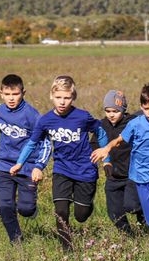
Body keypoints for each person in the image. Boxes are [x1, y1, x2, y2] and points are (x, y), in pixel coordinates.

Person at [11, 76, 108, 250]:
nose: (62, 102)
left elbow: (100, 132)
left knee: (81, 215)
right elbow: (33, 143)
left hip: (85, 170)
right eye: (58, 97)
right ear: (51, 96)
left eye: (67, 98)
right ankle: (67, 249)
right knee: (61, 210)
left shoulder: (83, 116)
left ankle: (86, 205)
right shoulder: (45, 120)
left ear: (73, 97)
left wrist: (105, 155)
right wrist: (20, 163)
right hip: (61, 168)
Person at [93, 83, 149, 248]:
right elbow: (119, 140)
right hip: (141, 176)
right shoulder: (136, 124)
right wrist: (107, 148)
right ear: (141, 107)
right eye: (146, 108)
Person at [0, 74, 42, 244]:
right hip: (4, 166)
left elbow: (42, 142)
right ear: (1, 93)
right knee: (5, 207)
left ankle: (30, 207)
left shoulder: (32, 115)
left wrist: (38, 166)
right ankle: (16, 241)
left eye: (16, 94)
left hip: (26, 167)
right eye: (8, 94)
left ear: (23, 93)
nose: (11, 98)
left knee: (26, 209)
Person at [96, 89, 142, 235]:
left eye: (115, 111)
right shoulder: (102, 125)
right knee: (114, 213)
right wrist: (105, 162)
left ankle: (145, 219)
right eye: (108, 111)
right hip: (113, 175)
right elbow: (96, 145)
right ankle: (130, 236)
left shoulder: (133, 123)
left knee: (132, 206)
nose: (111, 114)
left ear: (123, 109)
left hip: (132, 175)